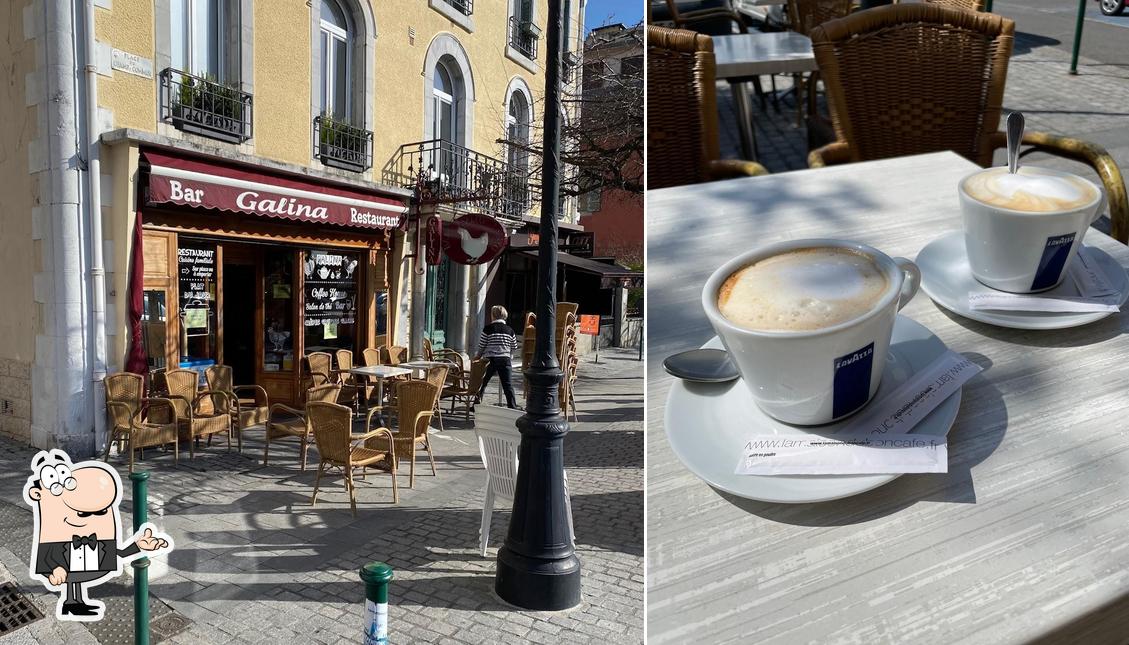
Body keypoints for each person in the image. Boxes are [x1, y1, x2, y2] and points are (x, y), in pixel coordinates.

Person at [475, 305, 519, 409]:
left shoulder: (488, 329)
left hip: (490, 359)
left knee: (482, 383)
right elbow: (514, 346)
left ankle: (476, 405)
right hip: (505, 360)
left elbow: (482, 345)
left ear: (493, 316)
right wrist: (510, 355)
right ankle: (512, 406)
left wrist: (478, 356)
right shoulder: (510, 330)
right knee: (508, 385)